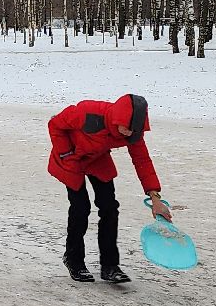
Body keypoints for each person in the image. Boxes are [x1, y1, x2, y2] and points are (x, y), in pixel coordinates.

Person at [47, 93, 171, 284]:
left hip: (97, 158)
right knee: (81, 208)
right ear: (117, 119)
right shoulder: (87, 113)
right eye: (126, 129)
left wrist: (155, 197)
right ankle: (74, 260)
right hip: (70, 159)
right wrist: (66, 153)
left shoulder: (133, 132)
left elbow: (142, 161)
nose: (129, 134)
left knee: (109, 208)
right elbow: (54, 124)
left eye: (133, 131)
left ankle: (110, 266)